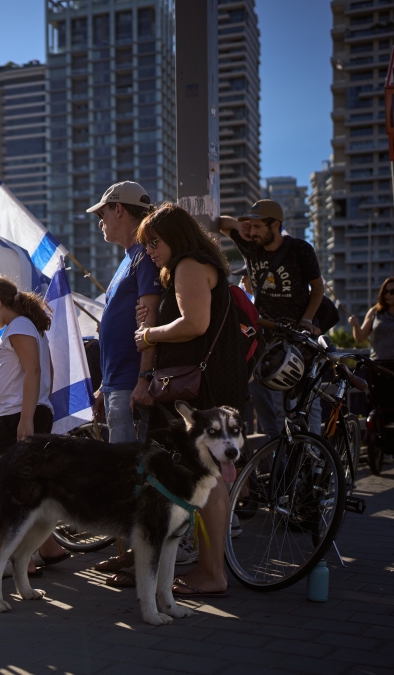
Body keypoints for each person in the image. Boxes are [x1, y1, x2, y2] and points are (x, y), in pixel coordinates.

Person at [133, 203, 248, 599]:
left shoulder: (188, 266)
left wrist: (149, 335)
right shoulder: (197, 264)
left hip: (205, 392)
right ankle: (209, 568)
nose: (150, 250)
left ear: (176, 237)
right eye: (146, 244)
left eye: (154, 241)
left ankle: (212, 572)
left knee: (209, 482)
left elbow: (194, 324)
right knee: (209, 479)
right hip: (214, 387)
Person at [85, 181, 160, 575]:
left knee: (132, 476)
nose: (99, 221)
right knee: (124, 474)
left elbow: (150, 319)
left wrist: (143, 377)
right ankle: (129, 553)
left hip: (131, 383)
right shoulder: (130, 259)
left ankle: (140, 559)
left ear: (120, 210)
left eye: (102, 213)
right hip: (119, 383)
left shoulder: (144, 259)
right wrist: (105, 385)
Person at [0, 276, 70, 569]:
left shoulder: (18, 327)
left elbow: (34, 371)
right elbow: (43, 370)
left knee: (16, 491)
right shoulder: (29, 326)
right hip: (26, 412)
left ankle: (21, 557)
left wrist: (26, 418)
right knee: (32, 486)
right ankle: (49, 547)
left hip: (18, 416)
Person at [219, 199, 325, 438]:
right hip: (265, 338)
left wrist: (307, 320)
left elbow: (318, 288)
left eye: (258, 227)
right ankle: (279, 463)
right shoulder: (250, 245)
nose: (252, 232)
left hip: (299, 339)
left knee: (308, 402)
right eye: (251, 227)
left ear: (275, 225)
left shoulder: (300, 249)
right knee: (271, 406)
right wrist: (241, 226)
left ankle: (317, 458)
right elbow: (220, 223)